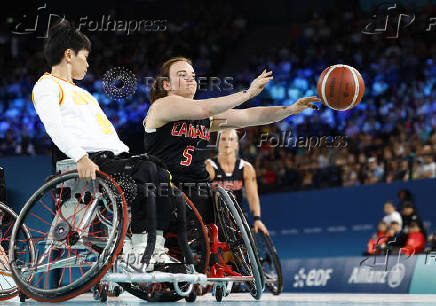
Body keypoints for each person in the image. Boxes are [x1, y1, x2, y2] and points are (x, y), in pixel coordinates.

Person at [32, 20, 177, 271]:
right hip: (86, 160)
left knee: (159, 172)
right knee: (145, 172)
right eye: (85, 57)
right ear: (68, 55)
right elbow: (54, 128)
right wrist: (80, 157)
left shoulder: (85, 94)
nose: (88, 64)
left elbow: (107, 132)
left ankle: (154, 247)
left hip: (109, 157)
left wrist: (131, 157)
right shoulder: (47, 86)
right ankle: (140, 250)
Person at [143, 56, 319, 225]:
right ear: (166, 84)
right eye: (182, 75)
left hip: (197, 189)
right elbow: (205, 108)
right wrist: (247, 94)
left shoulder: (207, 118)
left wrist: (290, 109)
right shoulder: (162, 106)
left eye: (193, 75)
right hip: (165, 189)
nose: (190, 79)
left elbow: (250, 116)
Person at [205, 129, 268, 234]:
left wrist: (257, 219)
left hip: (237, 217)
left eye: (231, 139)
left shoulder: (246, 168)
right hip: (214, 218)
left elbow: (252, 196)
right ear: (218, 143)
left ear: (236, 144)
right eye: (223, 139)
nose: (227, 142)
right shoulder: (209, 167)